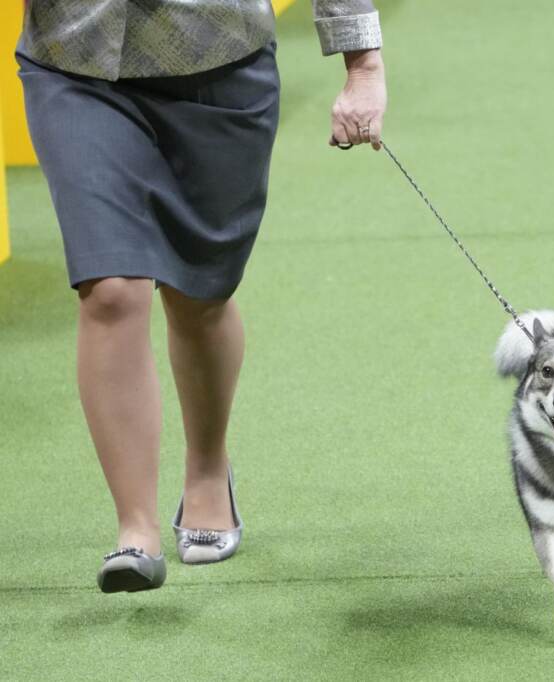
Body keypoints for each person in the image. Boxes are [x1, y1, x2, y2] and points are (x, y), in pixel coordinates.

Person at [16, 0, 387, 592]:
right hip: (74, 63)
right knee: (110, 288)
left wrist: (362, 64)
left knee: (199, 294)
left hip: (222, 58)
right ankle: (135, 530)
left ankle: (208, 469)